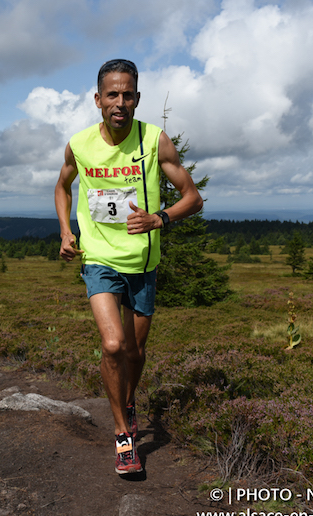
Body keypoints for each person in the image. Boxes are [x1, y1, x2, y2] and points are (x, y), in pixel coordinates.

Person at [54, 59, 203, 475]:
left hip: (143, 262)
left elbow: (193, 197)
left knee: (135, 352)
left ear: (137, 99)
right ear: (98, 99)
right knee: (114, 345)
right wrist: (67, 233)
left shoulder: (154, 141)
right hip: (99, 259)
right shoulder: (79, 144)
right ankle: (123, 436)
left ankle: (128, 399)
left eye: (128, 95)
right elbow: (62, 187)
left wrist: (161, 218)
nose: (120, 102)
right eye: (112, 95)